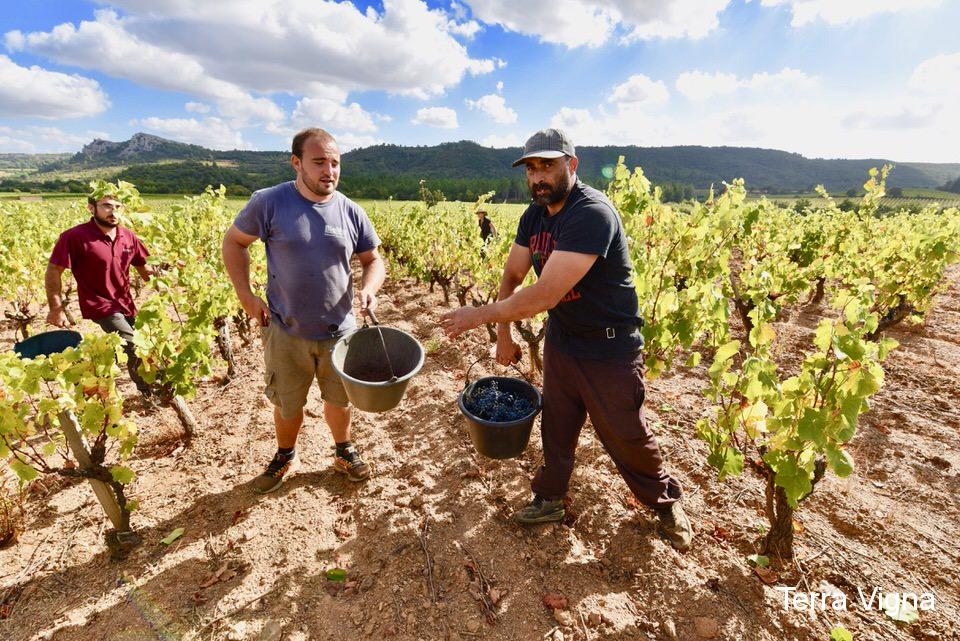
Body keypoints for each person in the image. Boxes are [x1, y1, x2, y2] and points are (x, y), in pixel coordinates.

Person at [440, 128, 693, 551]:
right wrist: (502, 333)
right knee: (556, 426)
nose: (538, 177)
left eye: (547, 166)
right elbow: (513, 275)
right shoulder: (533, 216)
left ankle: (664, 502)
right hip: (563, 340)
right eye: (531, 169)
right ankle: (550, 499)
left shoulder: (591, 213)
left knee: (625, 433)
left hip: (609, 347)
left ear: (571, 165)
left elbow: (543, 294)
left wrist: (478, 316)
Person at [222, 127, 386, 494]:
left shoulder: (351, 211)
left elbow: (373, 260)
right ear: (296, 163)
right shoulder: (269, 202)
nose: (329, 171)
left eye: (335, 163)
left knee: (339, 400)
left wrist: (370, 288)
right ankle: (285, 455)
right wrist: (245, 295)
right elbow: (234, 243)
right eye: (319, 162)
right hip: (285, 328)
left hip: (340, 331)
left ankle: (343, 451)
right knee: (287, 402)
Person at [46, 187, 153, 395]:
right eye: (106, 206)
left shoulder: (128, 236)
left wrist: (169, 272)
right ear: (91, 208)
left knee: (145, 343)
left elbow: (144, 268)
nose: (113, 211)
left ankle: (101, 375)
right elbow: (53, 270)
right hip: (100, 304)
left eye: (117, 206)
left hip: (126, 303)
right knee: (132, 344)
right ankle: (148, 391)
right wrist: (55, 308)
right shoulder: (74, 236)